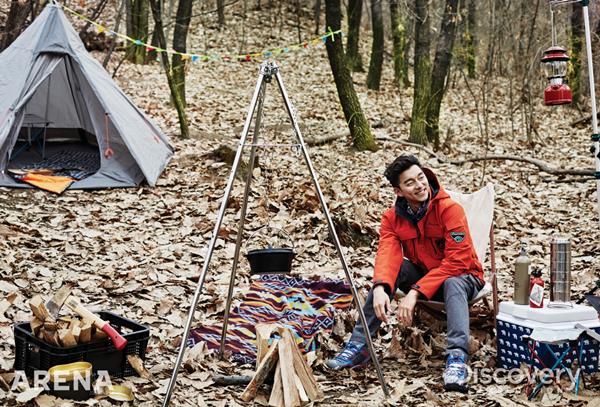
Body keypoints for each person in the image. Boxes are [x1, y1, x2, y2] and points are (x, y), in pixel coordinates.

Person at [326, 155, 484, 393]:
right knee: (391, 273)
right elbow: (388, 253)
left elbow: (457, 261)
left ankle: (457, 359)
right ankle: (360, 346)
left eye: (421, 177)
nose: (419, 185)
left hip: (464, 275)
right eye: (410, 182)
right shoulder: (392, 218)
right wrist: (381, 287)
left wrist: (414, 292)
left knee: (453, 282)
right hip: (427, 275)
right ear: (398, 191)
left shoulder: (450, 210)